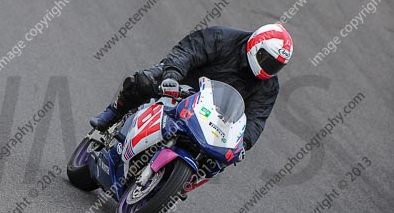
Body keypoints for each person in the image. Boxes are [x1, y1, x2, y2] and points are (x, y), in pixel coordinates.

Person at [90, 23, 294, 156]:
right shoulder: (221, 37)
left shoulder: (269, 85)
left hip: (214, 116)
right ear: (256, 46)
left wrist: (244, 143)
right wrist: (172, 76)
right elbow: (187, 51)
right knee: (144, 82)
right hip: (181, 84)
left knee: (220, 159)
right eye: (267, 60)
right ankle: (113, 114)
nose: (269, 68)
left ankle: (179, 184)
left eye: (276, 66)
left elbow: (257, 117)